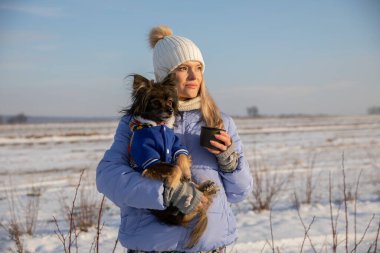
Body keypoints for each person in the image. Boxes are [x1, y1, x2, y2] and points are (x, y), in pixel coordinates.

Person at [96, 25, 253, 253]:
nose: (194, 76)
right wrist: (164, 192)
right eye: (183, 68)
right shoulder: (137, 123)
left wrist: (230, 163)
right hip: (154, 247)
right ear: (165, 74)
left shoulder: (220, 121)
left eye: (198, 68)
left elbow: (240, 193)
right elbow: (108, 178)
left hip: (207, 247)